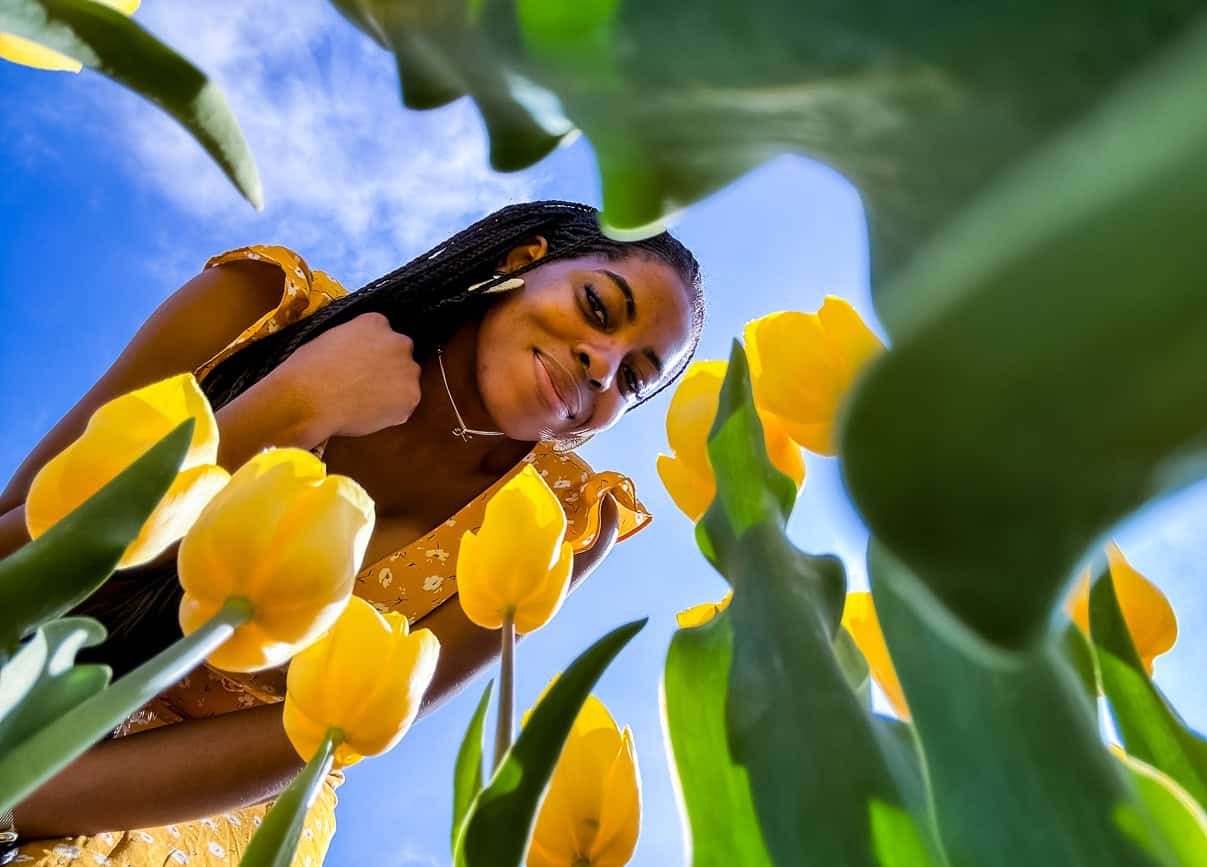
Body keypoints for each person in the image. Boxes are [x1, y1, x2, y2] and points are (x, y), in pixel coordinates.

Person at [0, 200, 704, 866]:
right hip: (31, 663)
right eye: (597, 307)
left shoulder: (564, 519)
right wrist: (286, 409)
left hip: (209, 797)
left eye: (634, 378)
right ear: (524, 258)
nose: (602, 365)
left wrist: (14, 797)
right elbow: (17, 544)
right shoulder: (259, 310)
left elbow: (316, 739)